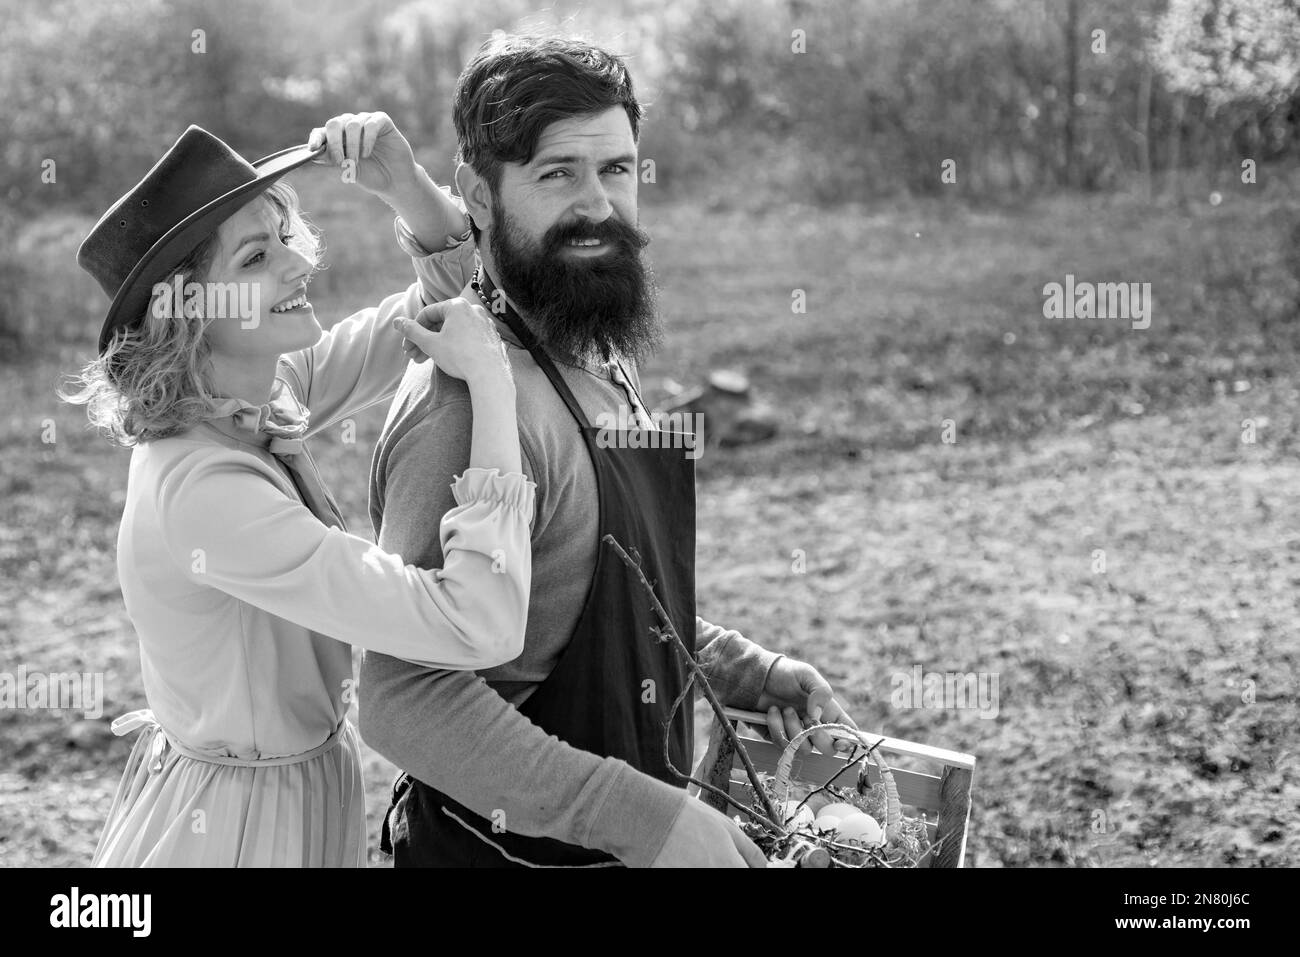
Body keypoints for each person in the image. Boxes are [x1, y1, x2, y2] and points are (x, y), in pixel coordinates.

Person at [361, 35, 859, 868]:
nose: (597, 205)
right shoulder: (463, 404)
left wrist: (734, 666)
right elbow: (402, 697)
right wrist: (644, 818)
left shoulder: (595, 350)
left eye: (618, 171)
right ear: (478, 195)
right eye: (558, 173)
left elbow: (584, 588)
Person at [64, 114, 533, 866]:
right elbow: (477, 623)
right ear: (186, 310)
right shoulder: (207, 493)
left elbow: (448, 307)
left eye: (284, 234)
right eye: (255, 256)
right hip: (232, 831)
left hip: (290, 793)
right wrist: (495, 392)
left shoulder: (253, 393)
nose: (296, 263)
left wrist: (405, 186)